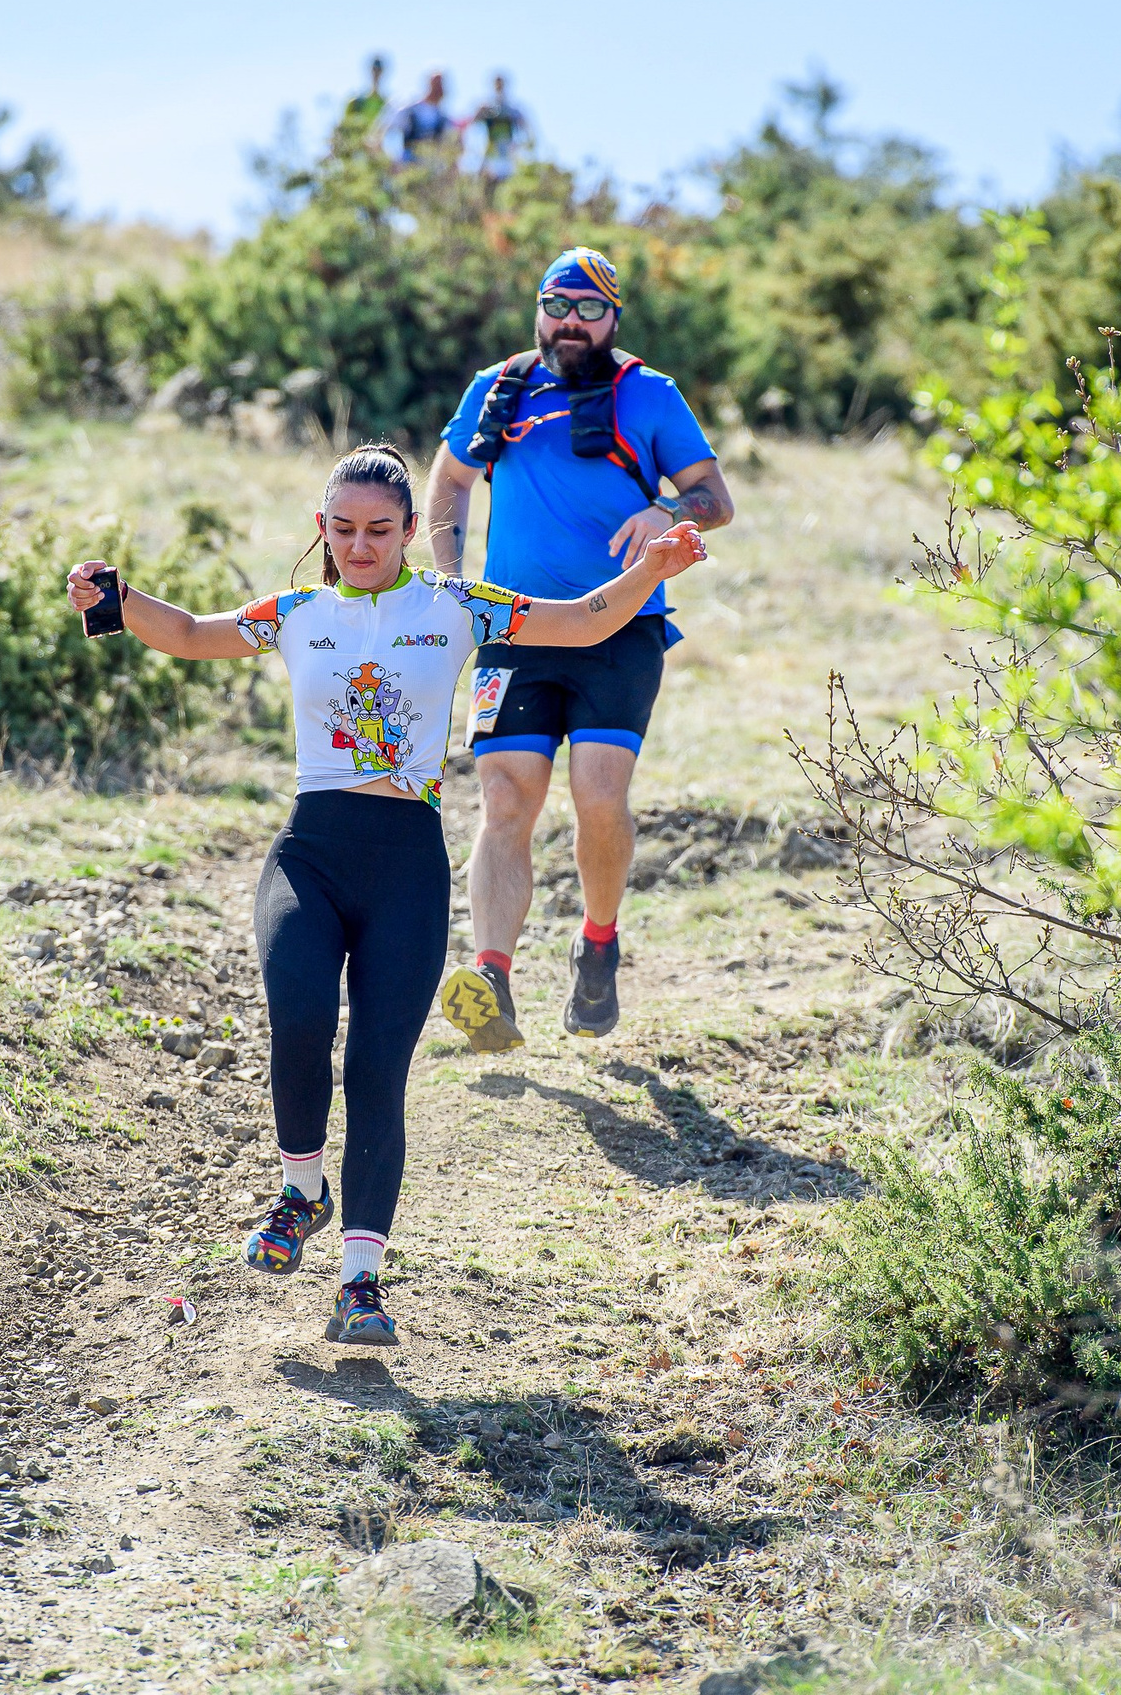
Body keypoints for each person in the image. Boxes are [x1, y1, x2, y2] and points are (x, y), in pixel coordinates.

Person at [64, 445, 709, 1343]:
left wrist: (651, 569)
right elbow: (192, 633)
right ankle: (301, 1190)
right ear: (321, 529)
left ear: (410, 529)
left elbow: (581, 622)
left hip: (407, 865)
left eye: (378, 529)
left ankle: (360, 1284)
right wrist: (117, 598)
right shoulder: (296, 613)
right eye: (343, 529)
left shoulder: (456, 606)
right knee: (297, 1014)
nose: (360, 546)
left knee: (377, 1071)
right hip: (311, 855)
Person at [423, 248, 737, 1051]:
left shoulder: (650, 394)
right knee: (505, 799)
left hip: (620, 627)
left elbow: (715, 497)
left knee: (599, 796)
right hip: (515, 627)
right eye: (558, 305)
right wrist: (452, 577)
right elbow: (450, 480)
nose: (571, 322)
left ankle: (598, 941)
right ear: (538, 309)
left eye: (590, 309)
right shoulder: (499, 387)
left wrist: (669, 511)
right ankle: (492, 978)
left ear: (614, 318)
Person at [471, 73, 531, 184]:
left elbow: (525, 128)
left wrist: (521, 145)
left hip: (507, 154)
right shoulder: (487, 107)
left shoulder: (512, 109)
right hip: (491, 152)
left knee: (509, 182)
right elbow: (473, 122)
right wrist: (480, 111)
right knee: (484, 181)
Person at [388, 71, 455, 166]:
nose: (439, 88)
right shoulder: (409, 109)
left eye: (440, 84)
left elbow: (452, 145)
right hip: (408, 165)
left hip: (432, 167)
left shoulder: (443, 119)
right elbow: (386, 129)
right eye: (436, 83)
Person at [339, 55, 390, 151]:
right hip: (355, 151)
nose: (376, 73)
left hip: (376, 153)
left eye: (379, 70)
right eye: (374, 69)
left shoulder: (387, 104)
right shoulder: (355, 102)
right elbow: (343, 128)